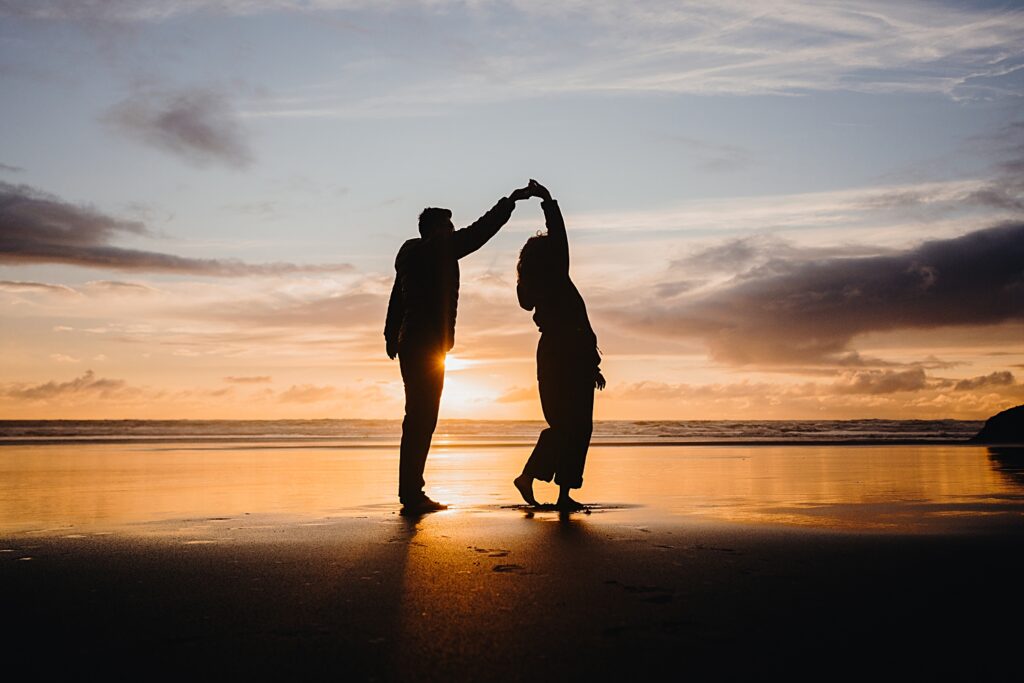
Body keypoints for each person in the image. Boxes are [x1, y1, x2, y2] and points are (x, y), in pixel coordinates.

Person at [385, 183, 535, 515]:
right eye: (449, 227)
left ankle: (410, 491)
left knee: (417, 418)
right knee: (422, 418)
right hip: (426, 345)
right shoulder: (438, 248)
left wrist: (390, 334)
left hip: (411, 342)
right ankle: (412, 494)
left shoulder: (409, 254)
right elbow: (481, 231)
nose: (454, 231)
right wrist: (510, 201)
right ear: (438, 230)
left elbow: (396, 296)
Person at [513, 180, 605, 511]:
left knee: (566, 426)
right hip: (569, 353)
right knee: (576, 427)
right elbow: (561, 236)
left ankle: (544, 484)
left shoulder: (529, 287)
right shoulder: (558, 276)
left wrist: (591, 364)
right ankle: (552, 487)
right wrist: (547, 200)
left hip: (552, 354)